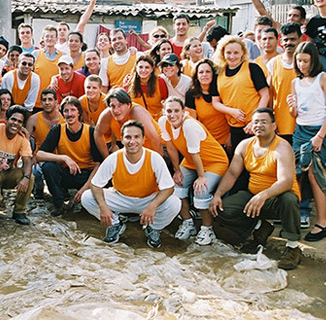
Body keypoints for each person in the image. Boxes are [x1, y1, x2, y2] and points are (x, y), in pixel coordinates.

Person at [209, 108, 303, 270]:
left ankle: (293, 247)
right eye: (256, 122)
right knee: (223, 209)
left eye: (264, 122)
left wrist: (263, 195)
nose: (259, 125)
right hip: (253, 195)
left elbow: (286, 182)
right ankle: (260, 227)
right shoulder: (245, 145)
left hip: (277, 198)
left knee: (289, 199)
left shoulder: (282, 147)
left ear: (274, 126)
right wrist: (218, 194)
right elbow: (232, 173)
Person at [81, 120, 181, 248]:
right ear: (122, 139)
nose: (132, 141)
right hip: (121, 197)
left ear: (143, 139)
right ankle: (115, 223)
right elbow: (95, 185)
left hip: (148, 199)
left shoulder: (154, 158)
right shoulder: (114, 158)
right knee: (87, 197)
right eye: (128, 137)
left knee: (174, 203)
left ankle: (153, 228)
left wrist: (153, 205)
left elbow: (168, 188)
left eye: (136, 137)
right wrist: (103, 206)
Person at [160, 97, 228, 245]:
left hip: (214, 162)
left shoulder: (189, 125)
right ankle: (188, 223)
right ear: (164, 112)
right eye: (169, 111)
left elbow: (195, 153)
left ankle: (207, 229)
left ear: (183, 111)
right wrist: (177, 170)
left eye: (176, 111)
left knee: (201, 190)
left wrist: (201, 177)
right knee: (176, 186)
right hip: (191, 161)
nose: (172, 115)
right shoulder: (163, 122)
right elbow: (170, 147)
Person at [287, 41, 326, 241]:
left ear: (313, 60)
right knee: (296, 173)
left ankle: (322, 223)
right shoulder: (295, 82)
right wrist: (292, 107)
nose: (302, 65)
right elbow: (295, 113)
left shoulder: (323, 78)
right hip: (300, 130)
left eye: (305, 61)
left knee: (315, 175)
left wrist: (320, 136)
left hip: (319, 130)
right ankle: (296, 215)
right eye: (299, 61)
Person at [37, 97, 104, 215]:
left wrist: (84, 189)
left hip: (85, 175)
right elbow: (39, 154)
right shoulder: (57, 130)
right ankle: (59, 204)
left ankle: (86, 200)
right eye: (66, 111)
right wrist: (64, 158)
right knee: (48, 167)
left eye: (73, 110)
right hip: (66, 172)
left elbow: (98, 165)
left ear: (79, 112)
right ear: (62, 114)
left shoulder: (90, 132)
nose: (69, 114)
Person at [212, 36, 269, 150]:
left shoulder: (252, 68)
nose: (232, 56)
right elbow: (215, 102)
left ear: (242, 52)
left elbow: (265, 94)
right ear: (223, 53)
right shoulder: (218, 73)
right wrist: (231, 111)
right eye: (228, 53)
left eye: (236, 53)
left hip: (254, 126)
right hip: (234, 126)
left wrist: (255, 120)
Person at [0, 105, 35, 225]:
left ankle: (19, 211)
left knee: (30, 177)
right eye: (13, 119)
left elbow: (27, 160)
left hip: (8, 173)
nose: (15, 123)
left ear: (22, 125)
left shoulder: (22, 139)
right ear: (6, 120)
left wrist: (26, 178)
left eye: (19, 121)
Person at [93, 88, 161, 157]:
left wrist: (157, 162)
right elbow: (97, 134)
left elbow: (155, 140)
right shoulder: (108, 114)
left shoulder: (137, 113)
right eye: (113, 106)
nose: (116, 110)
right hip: (133, 150)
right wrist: (106, 158)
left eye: (120, 105)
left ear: (129, 105)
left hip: (158, 148)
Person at [185, 60, 231, 151]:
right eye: (201, 72)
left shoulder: (222, 90)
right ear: (196, 76)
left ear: (213, 74)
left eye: (208, 72)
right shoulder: (191, 95)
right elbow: (193, 122)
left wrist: (231, 136)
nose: (204, 75)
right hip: (207, 141)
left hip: (227, 140)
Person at [266, 22, 301, 142]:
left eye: (293, 39)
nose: (289, 43)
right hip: (281, 123)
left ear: (300, 39)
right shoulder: (273, 63)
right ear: (281, 41)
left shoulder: (306, 63)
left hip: (303, 124)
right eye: (286, 40)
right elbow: (270, 94)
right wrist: (271, 119)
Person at [125, 54, 167, 121]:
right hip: (136, 121)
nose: (143, 70)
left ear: (152, 69)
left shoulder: (159, 82)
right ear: (136, 68)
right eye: (140, 67)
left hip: (156, 121)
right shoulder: (128, 81)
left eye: (147, 67)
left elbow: (165, 101)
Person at [33, 26, 62, 108]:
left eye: (52, 36)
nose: (49, 39)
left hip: (55, 102)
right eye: (47, 36)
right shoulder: (35, 54)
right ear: (43, 38)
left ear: (56, 39)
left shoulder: (62, 56)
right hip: (37, 101)